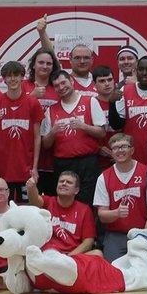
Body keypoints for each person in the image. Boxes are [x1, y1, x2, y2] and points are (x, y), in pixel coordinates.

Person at [94, 133, 147, 262]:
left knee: (143, 272)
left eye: (123, 146)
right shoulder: (103, 178)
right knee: (115, 272)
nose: (120, 151)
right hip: (116, 235)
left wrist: (144, 237)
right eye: (115, 148)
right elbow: (102, 215)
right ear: (111, 152)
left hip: (141, 232)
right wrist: (117, 213)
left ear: (132, 150)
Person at [42, 70, 107, 205]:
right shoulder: (51, 110)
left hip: (87, 162)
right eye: (56, 85)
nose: (61, 87)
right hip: (63, 163)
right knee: (64, 202)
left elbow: (101, 132)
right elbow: (46, 145)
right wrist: (53, 132)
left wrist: (84, 126)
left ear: (71, 81)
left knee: (87, 202)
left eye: (63, 83)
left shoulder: (90, 101)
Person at [0, 61, 43, 202]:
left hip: (26, 170)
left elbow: (37, 138)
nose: (13, 79)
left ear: (22, 77)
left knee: (26, 210)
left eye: (16, 75)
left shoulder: (32, 103)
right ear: (4, 79)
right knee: (4, 210)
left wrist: (35, 167)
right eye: (9, 76)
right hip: (2, 170)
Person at [27, 172, 96, 255]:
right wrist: (32, 188)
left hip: (72, 254)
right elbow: (35, 201)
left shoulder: (85, 209)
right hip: (48, 253)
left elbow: (88, 242)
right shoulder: (48, 202)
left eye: (69, 182)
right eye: (61, 181)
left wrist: (69, 257)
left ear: (76, 190)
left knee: (97, 253)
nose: (64, 184)